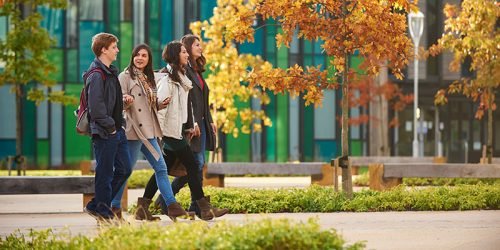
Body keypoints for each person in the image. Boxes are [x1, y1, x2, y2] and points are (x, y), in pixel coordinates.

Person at [142, 41, 228, 221]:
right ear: (175, 55)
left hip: (179, 130)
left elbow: (185, 106)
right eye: (183, 52)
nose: (187, 54)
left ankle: (143, 206)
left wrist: (190, 125)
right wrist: (159, 136)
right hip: (170, 133)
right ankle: (204, 209)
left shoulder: (181, 76)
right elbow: (162, 110)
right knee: (192, 166)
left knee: (162, 169)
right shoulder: (167, 79)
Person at [110, 43, 193, 221]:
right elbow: (119, 101)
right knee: (126, 170)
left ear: (148, 60)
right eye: (137, 55)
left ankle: (171, 205)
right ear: (133, 57)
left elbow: (147, 104)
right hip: (133, 131)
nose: (140, 58)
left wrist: (159, 104)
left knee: (161, 168)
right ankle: (114, 207)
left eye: (144, 56)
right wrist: (125, 99)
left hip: (149, 130)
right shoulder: (124, 77)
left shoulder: (149, 78)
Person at [156, 34, 216, 217]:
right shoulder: (182, 71)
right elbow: (185, 101)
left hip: (200, 124)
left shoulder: (197, 70)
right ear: (187, 48)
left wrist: (211, 120)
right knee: (193, 163)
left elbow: (203, 100)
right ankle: (193, 205)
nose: (200, 48)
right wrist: (192, 123)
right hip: (188, 126)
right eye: (197, 45)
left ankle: (186, 204)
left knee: (193, 163)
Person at [83, 32, 132, 221]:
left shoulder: (109, 72)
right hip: (105, 132)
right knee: (104, 173)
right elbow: (96, 108)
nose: (117, 50)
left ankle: (96, 205)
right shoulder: (96, 75)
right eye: (114, 47)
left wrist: (122, 103)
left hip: (116, 129)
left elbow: (107, 101)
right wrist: (111, 127)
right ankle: (104, 212)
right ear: (103, 49)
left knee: (125, 169)